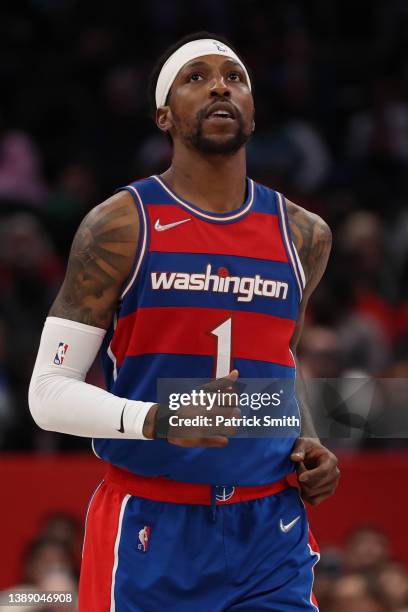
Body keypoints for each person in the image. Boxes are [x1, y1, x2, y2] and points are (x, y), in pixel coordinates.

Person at [29, 32, 340, 611]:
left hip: (269, 529)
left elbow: (277, 360)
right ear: (164, 115)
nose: (220, 85)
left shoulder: (305, 234)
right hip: (153, 526)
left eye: (235, 77)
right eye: (196, 77)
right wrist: (159, 419)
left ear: (252, 107)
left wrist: (309, 438)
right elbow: (46, 395)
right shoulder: (119, 226)